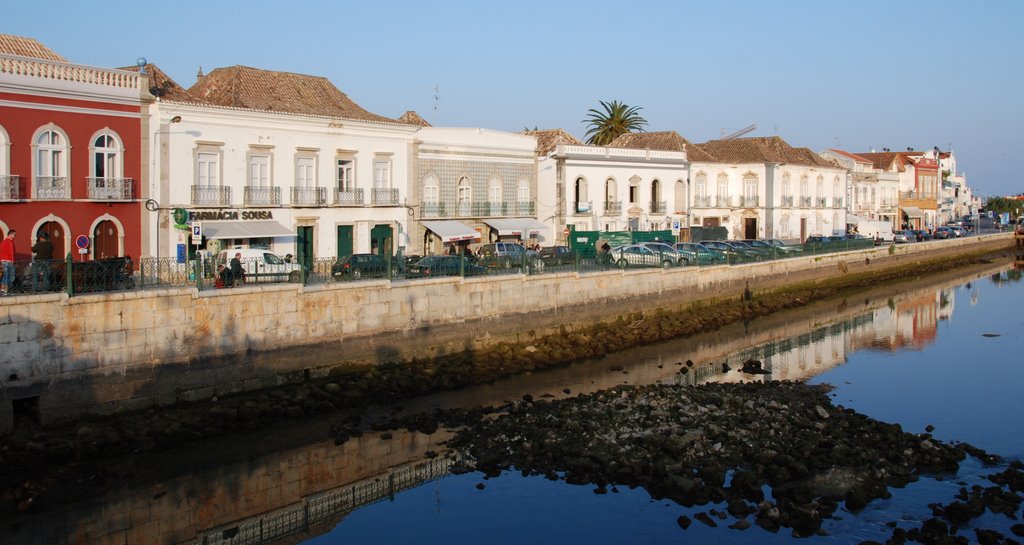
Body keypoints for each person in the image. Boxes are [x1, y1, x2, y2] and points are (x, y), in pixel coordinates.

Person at [1, 230, 16, 296]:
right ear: (10, 234)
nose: (15, 236)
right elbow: (12, 252)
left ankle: (2, 289)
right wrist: (13, 261)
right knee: (9, 276)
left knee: (5, 275)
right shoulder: (9, 242)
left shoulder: (3, 242)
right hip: (8, 261)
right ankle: (7, 290)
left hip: (3, 261)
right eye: (14, 235)